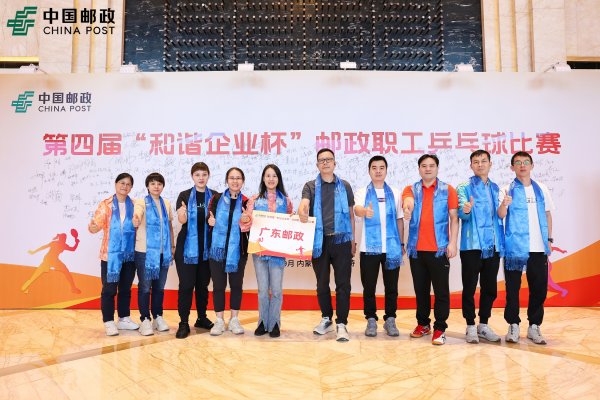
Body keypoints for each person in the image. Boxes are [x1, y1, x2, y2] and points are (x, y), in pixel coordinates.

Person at [299, 148, 355, 342]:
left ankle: (342, 323)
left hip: (342, 240)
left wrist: (352, 240)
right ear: (317, 165)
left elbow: (350, 215)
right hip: (319, 241)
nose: (325, 163)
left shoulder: (345, 186)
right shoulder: (310, 186)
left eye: (328, 159)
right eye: (321, 160)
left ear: (334, 163)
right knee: (322, 283)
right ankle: (326, 318)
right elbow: (304, 203)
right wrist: (302, 210)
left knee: (343, 284)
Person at [498, 151, 555, 345]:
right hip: (514, 247)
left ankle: (534, 325)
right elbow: (500, 215)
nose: (522, 165)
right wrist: (504, 204)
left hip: (538, 247)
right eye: (518, 163)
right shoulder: (507, 189)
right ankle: (513, 324)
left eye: (526, 162)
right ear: (512, 167)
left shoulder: (541, 189)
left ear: (532, 165)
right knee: (512, 288)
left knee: (539, 288)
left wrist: (549, 239)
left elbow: (547, 215)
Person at [403, 154, 458, 346]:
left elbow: (454, 218)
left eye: (431, 165)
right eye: (424, 166)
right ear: (419, 169)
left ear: (437, 168)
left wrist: (453, 243)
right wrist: (407, 209)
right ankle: (423, 324)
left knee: (441, 291)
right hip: (417, 250)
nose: (428, 169)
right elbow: (408, 201)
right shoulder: (411, 189)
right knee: (421, 290)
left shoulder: (448, 190)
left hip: (439, 250)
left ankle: (440, 328)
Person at [456, 150, 504, 344]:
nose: (480, 164)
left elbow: (499, 215)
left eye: (484, 161)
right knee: (469, 287)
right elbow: (462, 214)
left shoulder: (495, 188)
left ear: (490, 164)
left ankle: (483, 324)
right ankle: (470, 325)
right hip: (472, 245)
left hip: (493, 244)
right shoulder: (464, 187)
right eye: (476, 162)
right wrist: (466, 209)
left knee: (490, 287)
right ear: (471, 166)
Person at [354, 155, 404, 337]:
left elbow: (399, 220)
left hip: (391, 248)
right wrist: (364, 211)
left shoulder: (395, 193)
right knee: (369, 287)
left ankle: (390, 319)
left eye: (381, 168)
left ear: (386, 170)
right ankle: (371, 319)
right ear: (369, 171)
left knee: (392, 287)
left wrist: (401, 243)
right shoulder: (362, 192)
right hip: (369, 249)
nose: (378, 171)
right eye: (374, 168)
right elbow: (357, 209)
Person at [244, 164, 294, 338]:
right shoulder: (254, 200)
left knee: (277, 290)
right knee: (263, 290)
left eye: (274, 176)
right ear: (263, 179)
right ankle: (262, 322)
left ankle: (275, 324)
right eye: (268, 175)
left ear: (278, 179)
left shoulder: (286, 201)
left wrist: (296, 219)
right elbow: (246, 225)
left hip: (278, 253)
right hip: (260, 251)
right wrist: (245, 219)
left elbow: (291, 222)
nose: (271, 179)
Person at [88, 173, 139, 336]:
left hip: (129, 255)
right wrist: (93, 227)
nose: (125, 186)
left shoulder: (135, 205)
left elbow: (140, 226)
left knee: (125, 288)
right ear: (116, 184)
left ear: (131, 187)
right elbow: (95, 224)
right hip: (110, 256)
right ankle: (108, 321)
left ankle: (124, 319)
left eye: (128, 184)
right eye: (122, 183)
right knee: (109, 289)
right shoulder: (106, 204)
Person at [174, 162, 217, 339]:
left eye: (204, 174)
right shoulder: (184, 195)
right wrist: (182, 214)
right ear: (192, 176)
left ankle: (201, 318)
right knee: (186, 286)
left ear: (208, 176)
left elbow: (219, 220)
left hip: (207, 249)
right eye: (197, 174)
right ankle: (183, 322)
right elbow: (182, 220)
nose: (201, 178)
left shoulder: (215, 196)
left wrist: (215, 222)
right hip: (187, 249)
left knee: (202, 286)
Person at [207, 167, 251, 336]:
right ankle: (219, 320)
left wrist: (247, 221)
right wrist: (209, 221)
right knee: (218, 286)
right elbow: (209, 217)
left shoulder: (247, 202)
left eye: (238, 178)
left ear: (243, 181)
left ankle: (234, 319)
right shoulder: (216, 198)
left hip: (238, 251)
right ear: (227, 180)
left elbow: (251, 226)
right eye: (232, 178)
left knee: (236, 286)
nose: (235, 181)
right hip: (217, 250)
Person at [133, 172, 174, 336]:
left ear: (163, 186)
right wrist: (136, 218)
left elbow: (169, 226)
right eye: (153, 184)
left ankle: (157, 316)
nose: (156, 187)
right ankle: (145, 319)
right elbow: (137, 215)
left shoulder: (166, 203)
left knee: (159, 287)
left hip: (163, 253)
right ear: (147, 186)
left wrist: (172, 246)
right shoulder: (141, 202)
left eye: (159, 184)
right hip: (145, 252)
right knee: (145, 287)